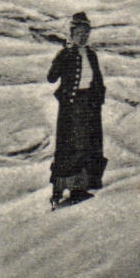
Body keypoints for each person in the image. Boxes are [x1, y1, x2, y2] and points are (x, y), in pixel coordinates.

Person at [47, 12, 107, 208]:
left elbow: (97, 79)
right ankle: (66, 189)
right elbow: (51, 77)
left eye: (86, 33)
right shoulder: (67, 54)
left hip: (89, 105)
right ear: (72, 34)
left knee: (89, 145)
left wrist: (98, 99)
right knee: (72, 147)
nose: (83, 37)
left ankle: (81, 188)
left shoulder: (91, 54)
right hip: (72, 108)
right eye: (80, 33)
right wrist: (61, 56)